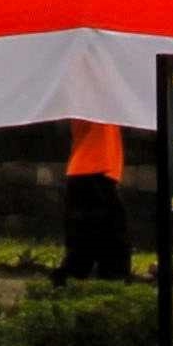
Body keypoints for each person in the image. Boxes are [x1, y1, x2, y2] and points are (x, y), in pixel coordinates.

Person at [58, 116, 134, 280]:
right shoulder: (93, 94)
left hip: (93, 171)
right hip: (91, 171)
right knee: (111, 246)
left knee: (87, 247)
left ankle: (65, 287)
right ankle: (112, 290)